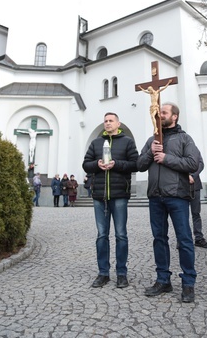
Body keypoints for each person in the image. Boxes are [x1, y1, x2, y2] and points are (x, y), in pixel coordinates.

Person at [137, 102, 200, 303]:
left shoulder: (184, 138)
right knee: (159, 239)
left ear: (174, 117)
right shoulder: (151, 140)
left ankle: (188, 282)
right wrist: (150, 152)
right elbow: (139, 165)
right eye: (158, 112)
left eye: (163, 112)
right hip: (155, 196)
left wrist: (166, 158)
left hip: (177, 196)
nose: (159, 115)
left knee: (184, 240)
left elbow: (194, 163)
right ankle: (163, 279)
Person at [82, 112, 138, 289]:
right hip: (99, 195)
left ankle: (121, 273)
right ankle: (103, 273)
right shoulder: (96, 142)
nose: (107, 123)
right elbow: (85, 164)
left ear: (118, 123)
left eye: (110, 121)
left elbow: (135, 164)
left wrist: (117, 164)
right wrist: (96, 164)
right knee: (101, 236)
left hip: (119, 193)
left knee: (121, 235)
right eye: (105, 121)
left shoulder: (127, 141)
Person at [189, 156, 207, 248]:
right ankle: (182, 239)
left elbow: (201, 164)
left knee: (196, 213)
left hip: (195, 185)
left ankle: (198, 238)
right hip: (181, 186)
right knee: (182, 215)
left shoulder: (194, 148)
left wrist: (192, 176)